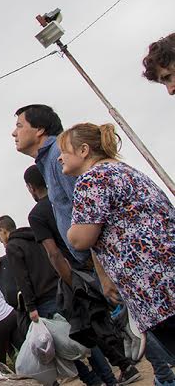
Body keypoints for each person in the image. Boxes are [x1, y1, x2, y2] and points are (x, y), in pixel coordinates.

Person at [61, 122, 175, 357]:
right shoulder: (126, 170)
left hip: (155, 288)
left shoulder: (90, 180)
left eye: (64, 151)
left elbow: (80, 239)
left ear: (84, 150)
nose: (59, 158)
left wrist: (70, 231)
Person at [24, 165, 138, 386]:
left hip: (78, 272)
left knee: (94, 325)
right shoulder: (66, 197)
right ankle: (147, 361)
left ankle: (142, 367)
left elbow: (54, 253)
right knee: (129, 315)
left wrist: (71, 282)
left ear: (30, 187)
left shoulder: (37, 215)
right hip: (100, 258)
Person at [12, 104, 90, 267]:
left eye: (19, 126)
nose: (14, 133)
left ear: (39, 129)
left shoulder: (59, 156)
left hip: (98, 258)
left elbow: (88, 210)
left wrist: (102, 272)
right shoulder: (48, 160)